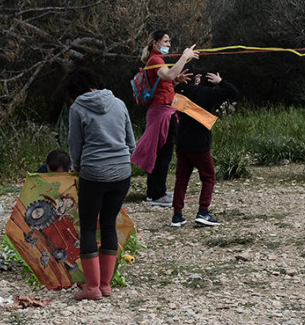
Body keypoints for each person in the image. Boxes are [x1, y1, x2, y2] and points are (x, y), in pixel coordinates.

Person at [62, 67, 136, 301]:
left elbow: (75, 145)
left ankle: (92, 288)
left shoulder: (77, 108)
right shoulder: (119, 103)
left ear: (74, 89)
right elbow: (131, 143)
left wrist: (76, 165)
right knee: (108, 224)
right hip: (122, 172)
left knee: (87, 227)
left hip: (94, 173)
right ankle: (105, 285)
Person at [131, 30, 199, 207]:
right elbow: (167, 75)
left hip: (162, 111)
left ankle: (154, 191)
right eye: (166, 41)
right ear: (155, 43)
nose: (169, 45)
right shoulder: (156, 60)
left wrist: (175, 81)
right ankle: (157, 194)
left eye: (169, 41)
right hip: (162, 113)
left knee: (160, 152)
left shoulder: (156, 60)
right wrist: (184, 57)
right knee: (163, 154)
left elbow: (165, 81)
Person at [171, 71, 238, 227]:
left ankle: (177, 215)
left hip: (182, 142)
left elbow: (173, 95)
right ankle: (203, 212)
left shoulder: (184, 91)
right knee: (208, 177)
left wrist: (188, 84)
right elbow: (233, 91)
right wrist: (220, 81)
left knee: (181, 179)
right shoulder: (209, 93)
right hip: (200, 143)